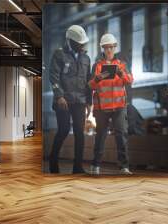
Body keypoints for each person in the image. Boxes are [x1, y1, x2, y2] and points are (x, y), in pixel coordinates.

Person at [48, 25, 92, 174]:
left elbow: (89, 81)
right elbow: (53, 76)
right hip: (63, 101)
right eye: (79, 43)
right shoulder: (59, 54)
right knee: (64, 130)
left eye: (82, 43)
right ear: (70, 41)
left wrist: (89, 101)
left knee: (80, 133)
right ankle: (53, 161)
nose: (81, 45)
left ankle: (77, 167)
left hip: (80, 101)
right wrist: (59, 95)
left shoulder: (86, 58)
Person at [88, 33, 133, 175]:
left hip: (119, 107)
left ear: (115, 48)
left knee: (121, 136)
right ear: (102, 48)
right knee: (100, 137)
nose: (109, 50)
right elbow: (90, 85)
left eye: (111, 47)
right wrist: (97, 78)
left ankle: (124, 167)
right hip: (102, 108)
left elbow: (130, 80)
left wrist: (121, 74)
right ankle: (96, 166)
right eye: (106, 48)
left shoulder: (121, 65)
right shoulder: (97, 66)